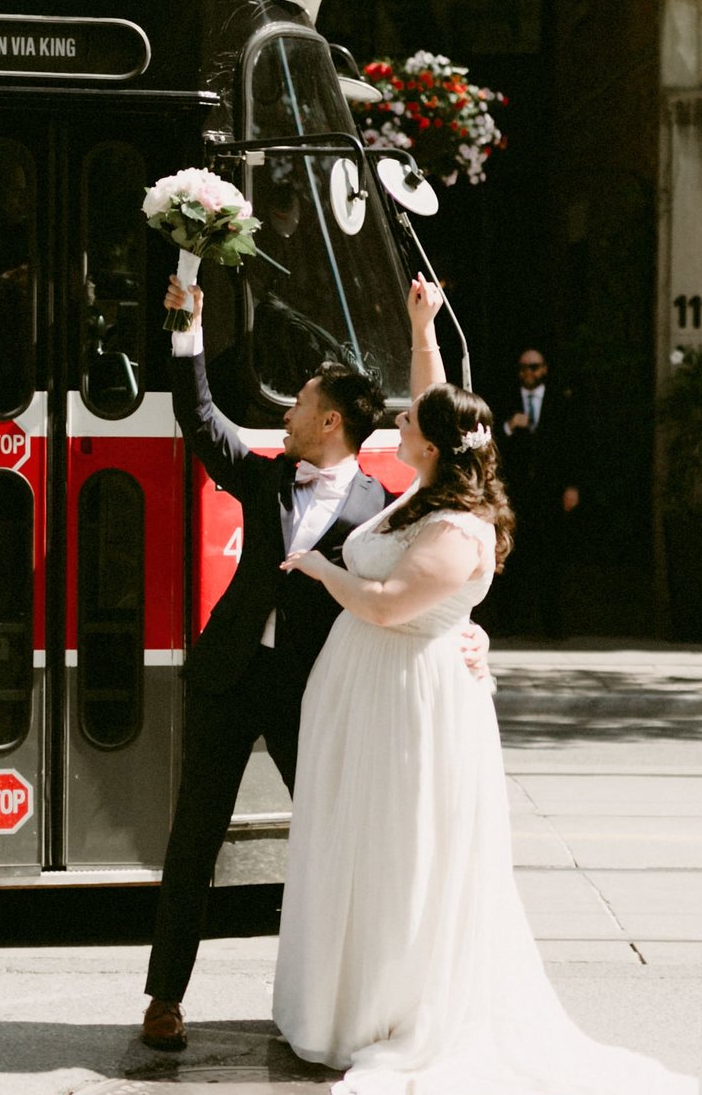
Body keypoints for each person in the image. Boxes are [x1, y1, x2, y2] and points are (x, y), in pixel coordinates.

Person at [271, 278, 702, 1095]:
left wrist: (320, 566)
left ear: (437, 446)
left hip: (410, 710)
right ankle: (350, 997)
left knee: (401, 854)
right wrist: (421, 326)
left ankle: (389, 1008)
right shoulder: (424, 492)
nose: (398, 420)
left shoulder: (455, 527)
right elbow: (435, 389)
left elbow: (383, 606)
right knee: (363, 848)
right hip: (371, 699)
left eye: (411, 420)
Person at [141, 271, 484, 1052]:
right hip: (228, 676)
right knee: (194, 838)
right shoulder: (264, 476)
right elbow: (199, 420)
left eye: (296, 404)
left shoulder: (384, 507)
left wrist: (466, 627)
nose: (284, 414)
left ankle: (341, 1002)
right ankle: (164, 998)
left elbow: (440, 560)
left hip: (316, 692)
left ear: (328, 422)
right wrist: (186, 328)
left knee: (338, 840)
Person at [492, 347, 578, 637]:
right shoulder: (507, 400)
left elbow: (572, 446)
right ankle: (508, 623)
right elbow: (488, 442)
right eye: (524, 368)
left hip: (549, 491)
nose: (529, 373)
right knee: (512, 556)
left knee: (550, 558)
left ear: (544, 370)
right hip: (516, 492)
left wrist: (571, 486)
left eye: (534, 367)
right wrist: (509, 426)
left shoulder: (560, 402)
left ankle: (552, 626)